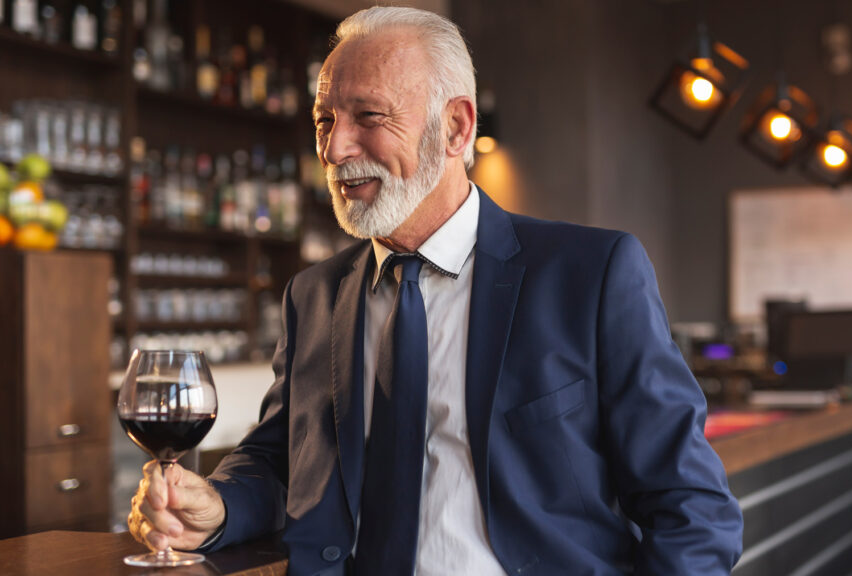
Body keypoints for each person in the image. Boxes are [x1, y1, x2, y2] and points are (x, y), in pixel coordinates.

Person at [129, 6, 743, 575]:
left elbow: (691, 508)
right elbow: (277, 461)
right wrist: (217, 506)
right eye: (325, 120)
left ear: (455, 128)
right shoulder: (313, 295)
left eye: (369, 117)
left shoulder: (592, 273)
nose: (336, 148)